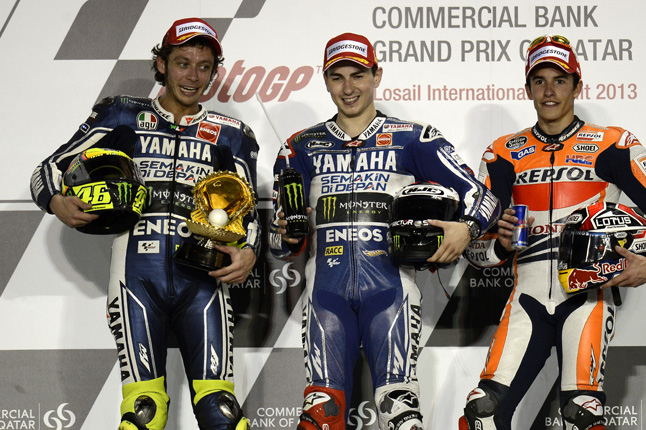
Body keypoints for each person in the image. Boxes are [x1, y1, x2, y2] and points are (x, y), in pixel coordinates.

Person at [30, 18, 260, 430]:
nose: (192, 76)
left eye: (204, 66)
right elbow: (48, 168)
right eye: (182, 62)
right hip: (134, 276)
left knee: (220, 409)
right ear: (160, 64)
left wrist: (249, 251)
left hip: (203, 281)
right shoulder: (122, 115)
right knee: (143, 412)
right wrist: (55, 200)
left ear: (214, 72)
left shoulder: (232, 135)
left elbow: (250, 213)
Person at [269, 32, 500, 430]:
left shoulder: (415, 138)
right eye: (337, 76)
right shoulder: (299, 147)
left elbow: (484, 199)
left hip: (390, 292)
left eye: (358, 75)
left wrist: (466, 227)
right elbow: (278, 241)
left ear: (377, 75)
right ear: (325, 81)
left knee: (400, 411)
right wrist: (286, 237)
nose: (348, 87)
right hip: (324, 294)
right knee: (319, 414)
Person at [459, 35, 646, 430]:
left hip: (587, 297)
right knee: (483, 413)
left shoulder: (613, 144)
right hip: (525, 297)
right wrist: (500, 244)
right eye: (539, 80)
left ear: (578, 86)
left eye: (559, 80)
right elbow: (473, 248)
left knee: (581, 414)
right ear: (527, 88)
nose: (549, 90)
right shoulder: (502, 152)